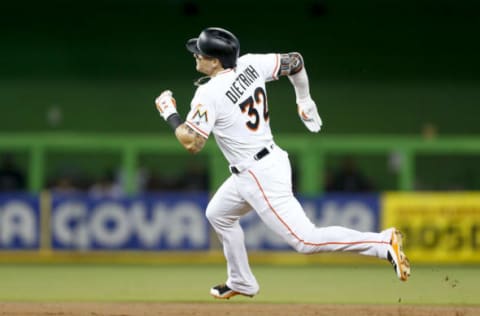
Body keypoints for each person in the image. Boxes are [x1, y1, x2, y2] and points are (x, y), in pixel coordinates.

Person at [154, 27, 410, 299]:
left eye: (200, 54)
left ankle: (382, 243)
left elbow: (192, 142)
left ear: (215, 61)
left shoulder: (209, 93)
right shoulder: (251, 63)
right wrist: (304, 99)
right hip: (264, 162)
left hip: (257, 173)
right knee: (218, 214)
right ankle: (241, 281)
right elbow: (296, 61)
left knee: (305, 240)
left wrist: (169, 112)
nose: (196, 57)